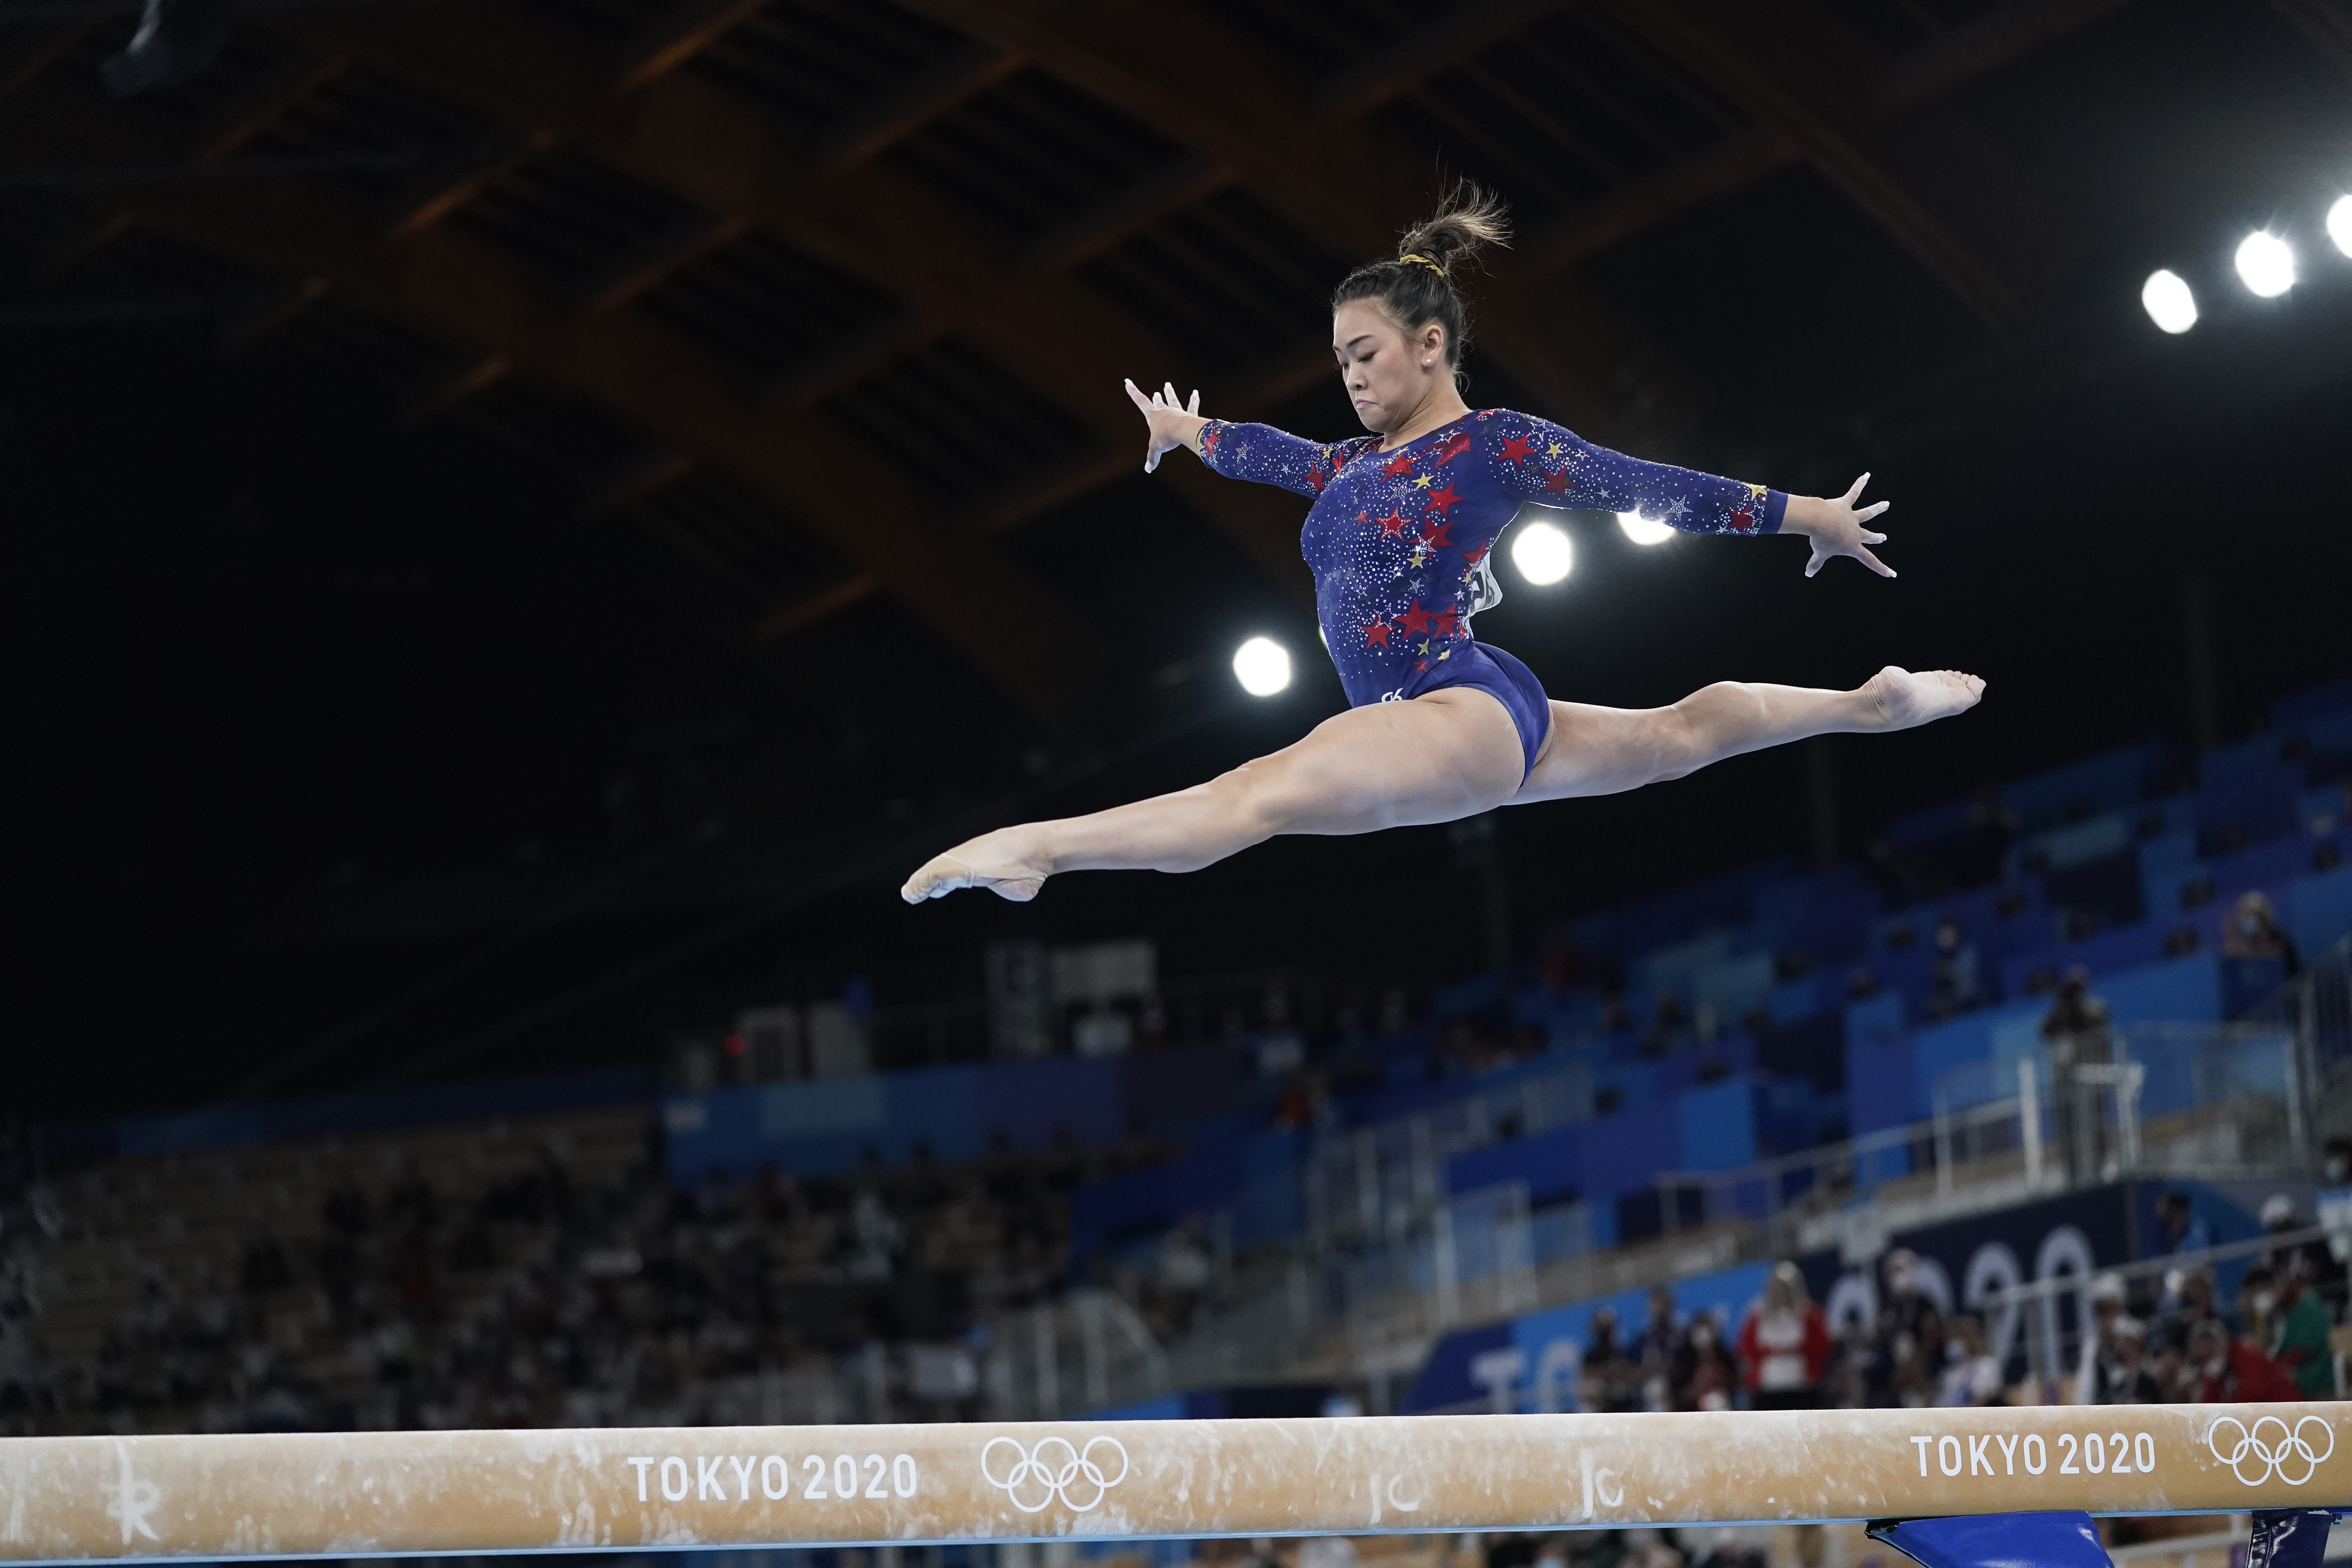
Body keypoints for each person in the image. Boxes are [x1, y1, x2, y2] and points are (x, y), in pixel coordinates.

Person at [900, 186, 1984, 905]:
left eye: (1366, 353)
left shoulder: (1492, 447)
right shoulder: (1346, 466)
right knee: (1686, 732)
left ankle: (1040, 850)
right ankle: (1868, 704)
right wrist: (1194, 436)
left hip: (1451, 702)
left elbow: (1650, 487)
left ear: (1431, 342)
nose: (1353, 376)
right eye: (1339, 362)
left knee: (1257, 794)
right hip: (1448, 718)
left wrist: (1812, 515)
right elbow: (1269, 453)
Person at [1737, 1260, 1832, 1409]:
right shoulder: (1757, 1316)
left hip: (1801, 1387)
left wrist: (1796, 1349)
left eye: (1786, 1287)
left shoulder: (1810, 1315)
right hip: (1767, 1388)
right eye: (1778, 1287)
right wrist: (1773, 1350)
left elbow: (1824, 1345)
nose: (1781, 1292)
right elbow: (1745, 1349)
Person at [1934, 1314, 2005, 1406]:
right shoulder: (1950, 1374)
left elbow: (1982, 1398)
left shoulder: (1986, 1365)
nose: (1952, 1343)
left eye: (1956, 1338)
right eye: (1950, 1339)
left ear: (1969, 1339)